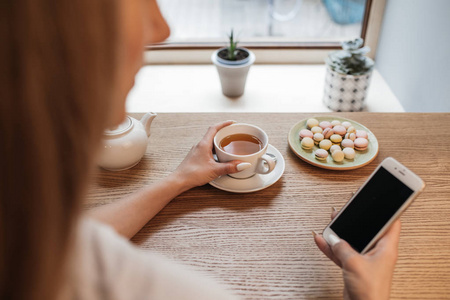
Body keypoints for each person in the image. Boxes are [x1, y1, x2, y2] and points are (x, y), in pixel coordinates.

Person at [0, 0, 400, 299]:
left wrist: (178, 179)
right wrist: (368, 295)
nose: (161, 29)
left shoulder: (29, 243)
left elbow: (75, 242)